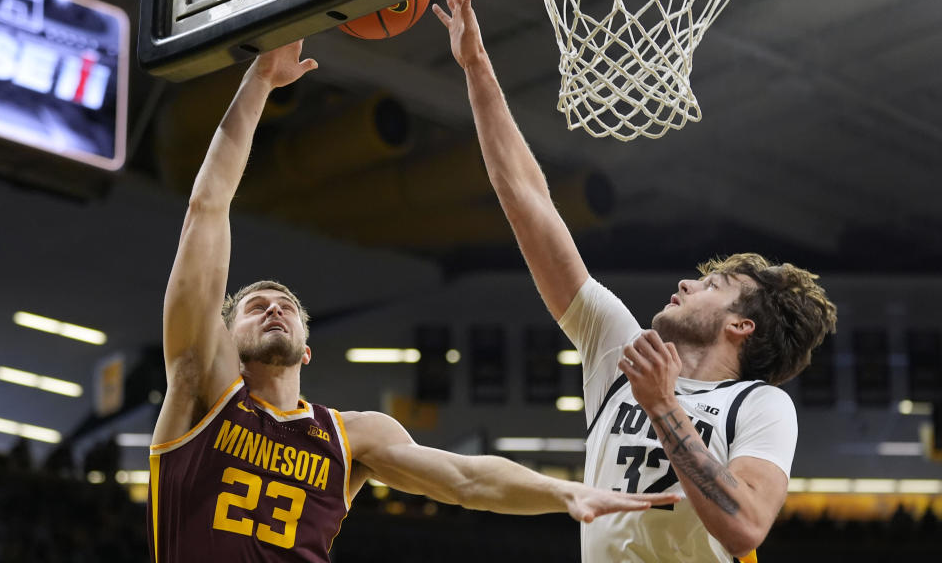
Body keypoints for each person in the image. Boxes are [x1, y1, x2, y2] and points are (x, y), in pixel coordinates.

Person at [146, 41, 678, 563]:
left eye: (285, 305)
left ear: (308, 351)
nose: (274, 308)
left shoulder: (351, 437)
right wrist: (259, 80)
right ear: (226, 340)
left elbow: (465, 479)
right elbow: (207, 207)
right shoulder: (202, 391)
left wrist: (563, 493)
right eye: (255, 306)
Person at [432, 0, 838, 563]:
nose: (685, 285)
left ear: (741, 326)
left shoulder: (758, 405)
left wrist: (664, 406)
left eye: (710, 286)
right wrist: (475, 67)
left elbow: (746, 527)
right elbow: (528, 202)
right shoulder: (621, 351)